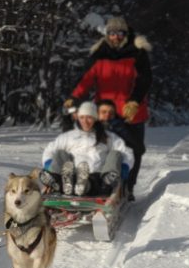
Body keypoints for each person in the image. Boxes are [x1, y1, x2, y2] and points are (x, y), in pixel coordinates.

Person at [63, 16, 152, 200]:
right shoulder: (99, 54)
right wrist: (75, 97)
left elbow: (144, 80)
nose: (115, 37)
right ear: (107, 34)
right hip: (105, 113)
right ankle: (99, 184)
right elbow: (86, 79)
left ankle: (128, 187)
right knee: (101, 149)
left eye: (120, 33)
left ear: (126, 34)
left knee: (134, 151)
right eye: (111, 33)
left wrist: (134, 100)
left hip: (131, 113)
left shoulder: (137, 52)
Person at [40, 101, 134, 197]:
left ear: (95, 118)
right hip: (71, 174)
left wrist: (124, 167)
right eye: (82, 117)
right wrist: (48, 164)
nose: (85, 121)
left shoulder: (107, 137)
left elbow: (126, 152)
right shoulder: (68, 136)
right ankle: (54, 177)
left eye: (89, 117)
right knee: (60, 153)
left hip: (99, 177)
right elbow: (49, 150)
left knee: (115, 153)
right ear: (78, 118)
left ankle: (86, 185)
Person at [97, 99, 145, 201]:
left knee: (114, 155)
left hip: (113, 164)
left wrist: (119, 127)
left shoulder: (120, 126)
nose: (107, 115)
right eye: (103, 112)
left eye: (111, 113)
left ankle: (117, 186)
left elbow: (139, 149)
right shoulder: (88, 125)